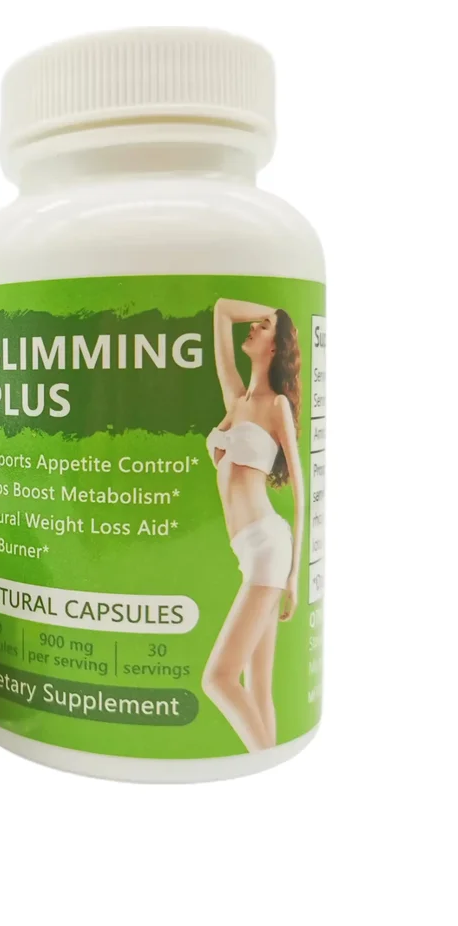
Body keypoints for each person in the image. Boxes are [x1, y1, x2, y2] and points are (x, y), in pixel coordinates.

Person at [201, 298, 304, 752]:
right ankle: (271, 768)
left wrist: (295, 574)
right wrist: (274, 312)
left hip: (267, 546)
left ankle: (264, 759)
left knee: (218, 678)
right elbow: (222, 311)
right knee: (257, 688)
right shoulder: (236, 399)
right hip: (249, 550)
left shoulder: (275, 405)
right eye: (257, 324)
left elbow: (301, 489)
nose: (254, 329)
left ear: (275, 348)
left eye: (263, 328)